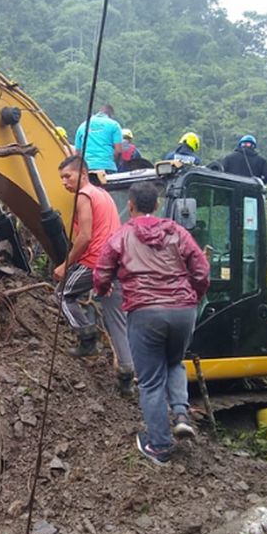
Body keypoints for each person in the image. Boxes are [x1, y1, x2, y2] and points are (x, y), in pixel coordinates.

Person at [93, 181, 210, 465]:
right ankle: (181, 414)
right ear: (157, 205)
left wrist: (103, 288)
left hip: (145, 312)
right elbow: (201, 269)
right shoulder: (177, 232)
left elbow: (102, 271)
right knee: (174, 362)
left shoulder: (122, 235)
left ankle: (159, 446)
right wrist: (193, 295)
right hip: (183, 310)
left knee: (150, 382)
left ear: (130, 205)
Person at [54, 155, 135, 390]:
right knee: (117, 321)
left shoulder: (84, 195)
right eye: (61, 178)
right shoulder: (104, 195)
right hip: (118, 261)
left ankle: (87, 338)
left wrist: (65, 265)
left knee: (62, 295)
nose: (64, 182)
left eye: (67, 176)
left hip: (96, 262)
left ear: (82, 173)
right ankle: (126, 376)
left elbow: (86, 236)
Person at [73, 105, 124, 173]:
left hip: (87, 167)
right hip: (107, 167)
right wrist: (112, 162)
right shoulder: (114, 125)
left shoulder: (82, 126)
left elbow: (77, 153)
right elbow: (118, 150)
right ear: (110, 115)